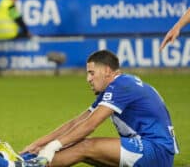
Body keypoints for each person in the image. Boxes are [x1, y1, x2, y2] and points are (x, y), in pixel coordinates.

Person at [21, 50, 179, 167]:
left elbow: (90, 125)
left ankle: (23, 164)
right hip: (152, 148)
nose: (88, 79)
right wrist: (38, 144)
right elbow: (78, 122)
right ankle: (24, 161)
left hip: (156, 151)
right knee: (77, 146)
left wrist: (53, 146)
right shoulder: (118, 86)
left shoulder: (121, 85)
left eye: (91, 73)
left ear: (107, 71)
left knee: (84, 146)